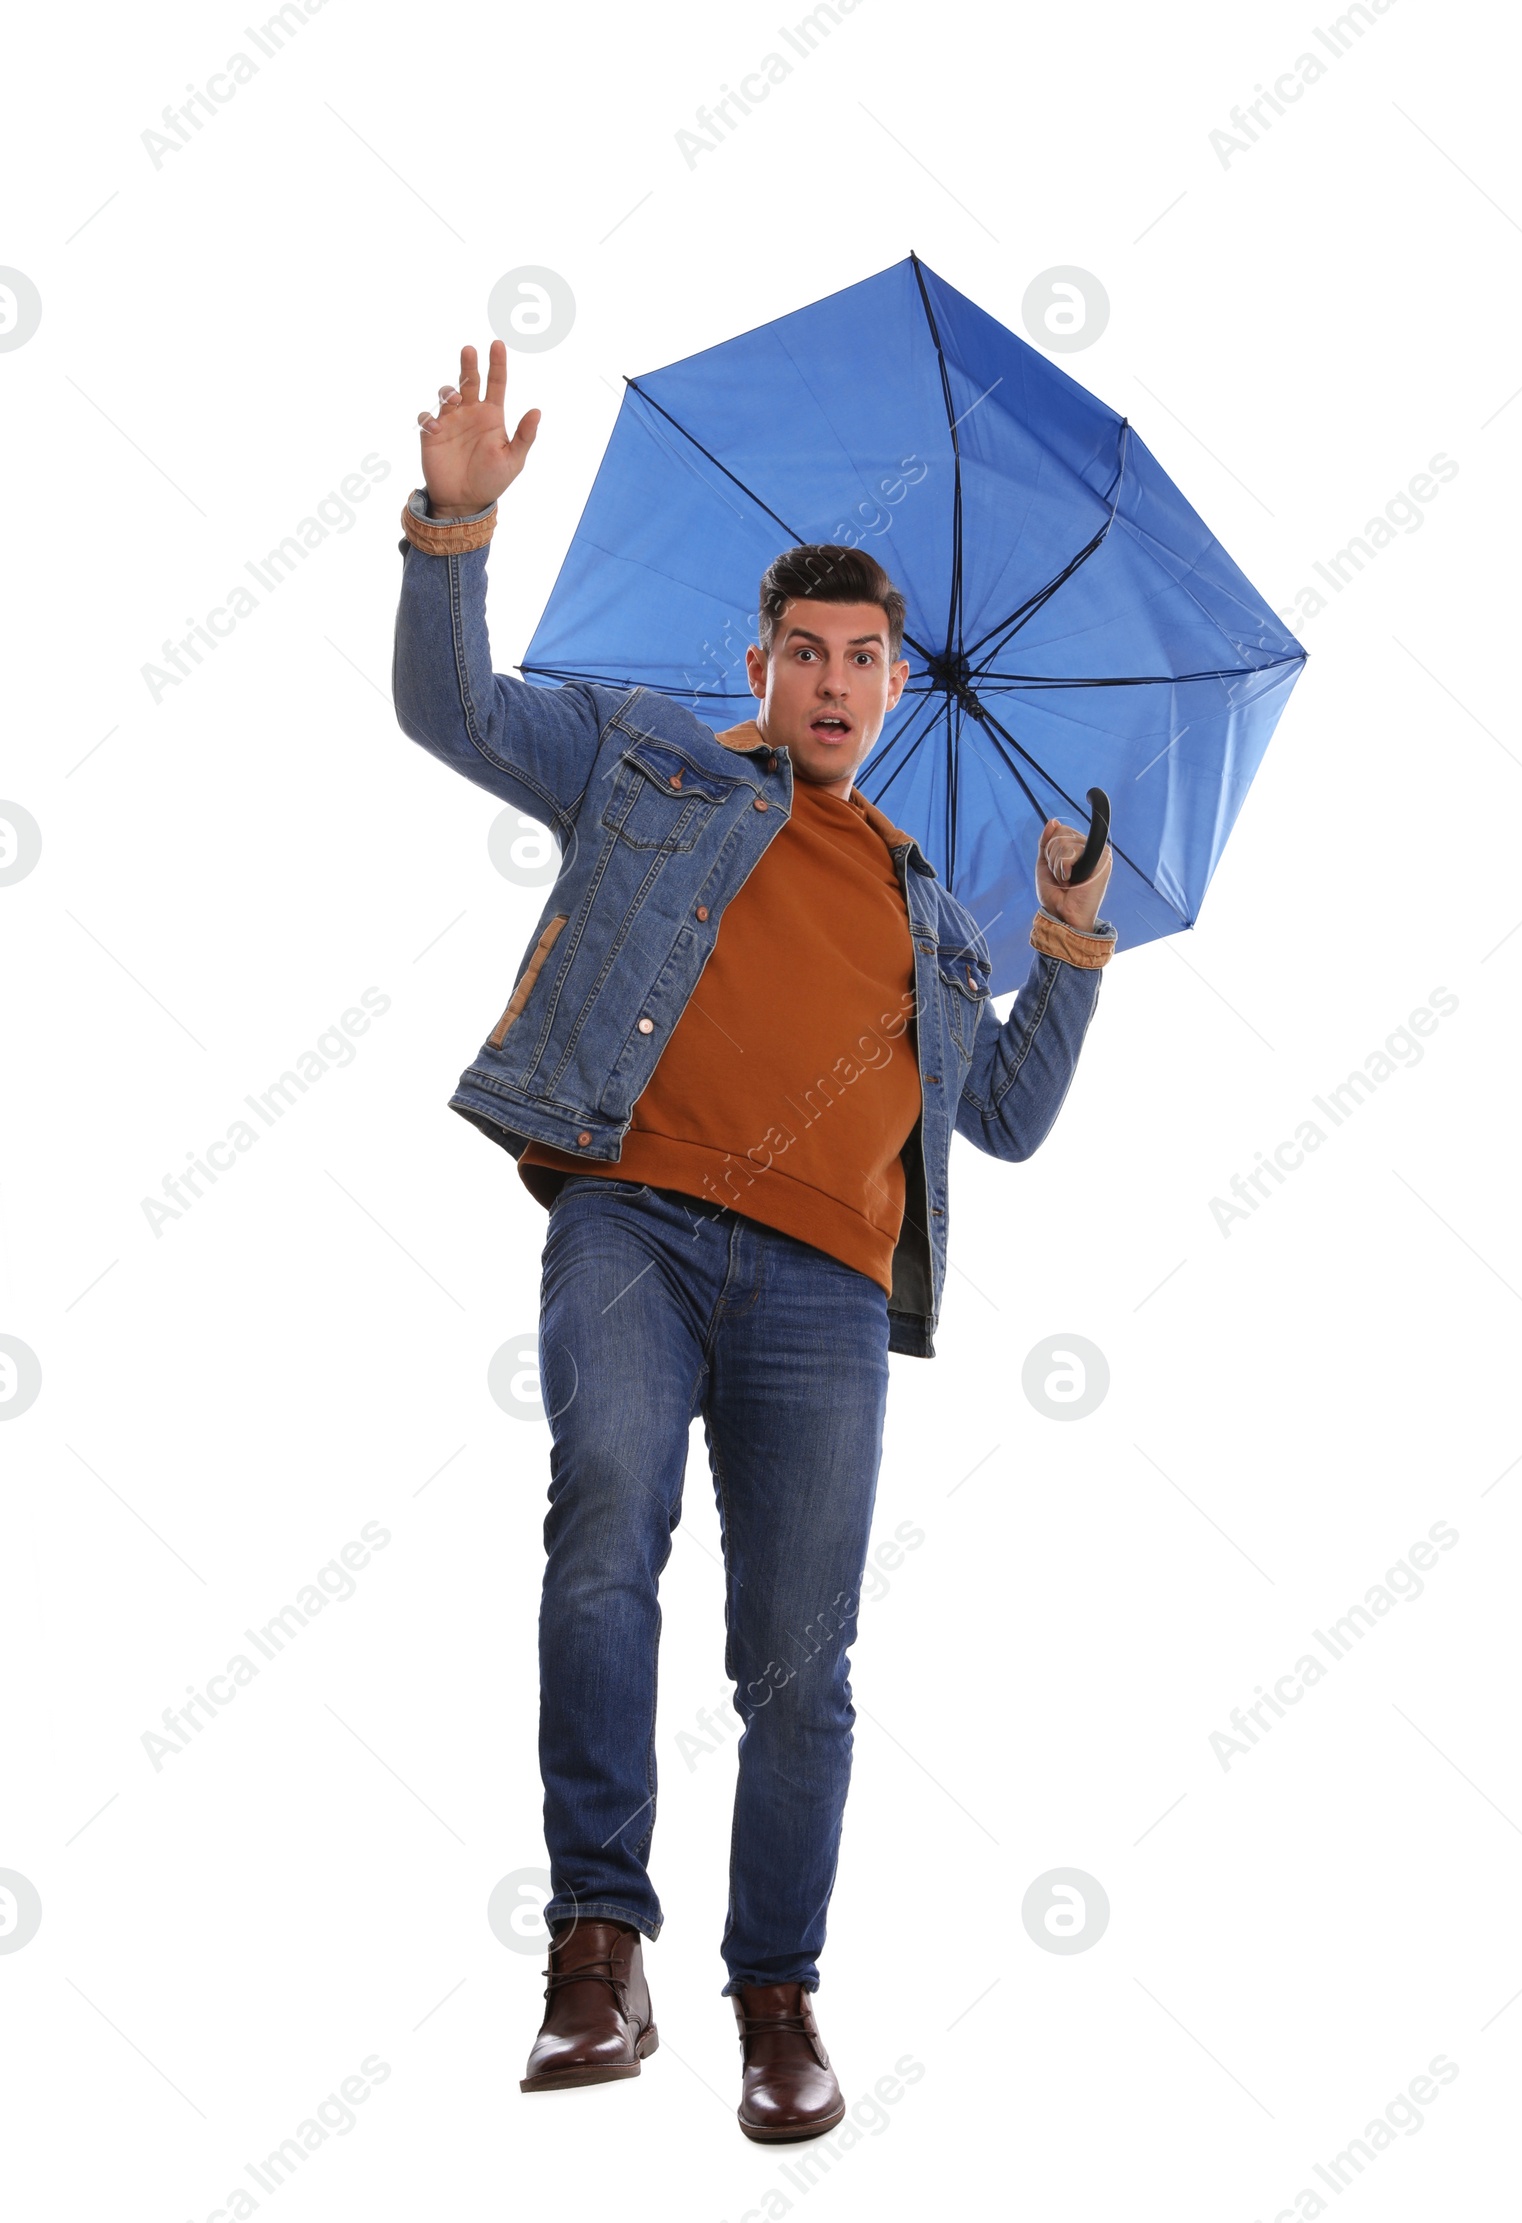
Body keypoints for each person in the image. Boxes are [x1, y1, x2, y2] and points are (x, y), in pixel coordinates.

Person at [391, 340, 1115, 2142]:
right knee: (601, 1531)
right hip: (635, 1218)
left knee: (799, 1659)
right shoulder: (652, 760)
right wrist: (453, 531)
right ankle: (593, 1953)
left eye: (867, 660)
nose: (839, 681)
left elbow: (1007, 1117)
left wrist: (1070, 946)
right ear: (760, 665)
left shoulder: (940, 918)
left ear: (893, 690)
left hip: (824, 1291)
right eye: (809, 652)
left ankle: (775, 1999)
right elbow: (454, 714)